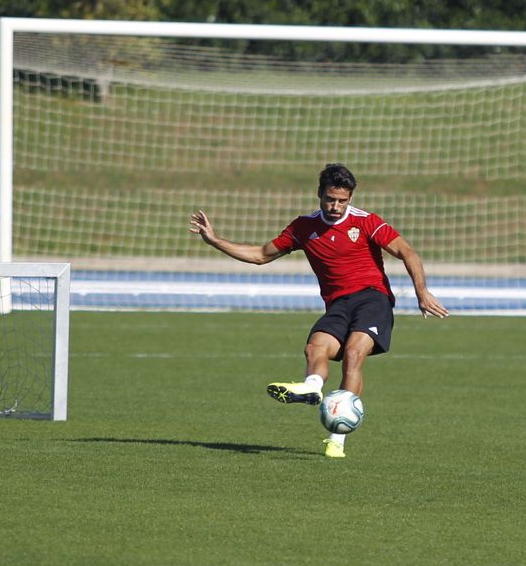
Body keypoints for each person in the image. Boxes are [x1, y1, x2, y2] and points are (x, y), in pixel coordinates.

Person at [188, 162, 448, 459]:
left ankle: (336, 440)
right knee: (315, 347)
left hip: (373, 299)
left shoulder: (366, 222)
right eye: (330, 199)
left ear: (350, 198)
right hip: (338, 304)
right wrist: (215, 240)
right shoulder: (304, 227)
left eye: (343, 201)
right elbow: (261, 255)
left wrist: (421, 291)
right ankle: (311, 388)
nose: (336, 206)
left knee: (353, 354)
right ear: (319, 195)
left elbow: (406, 251)